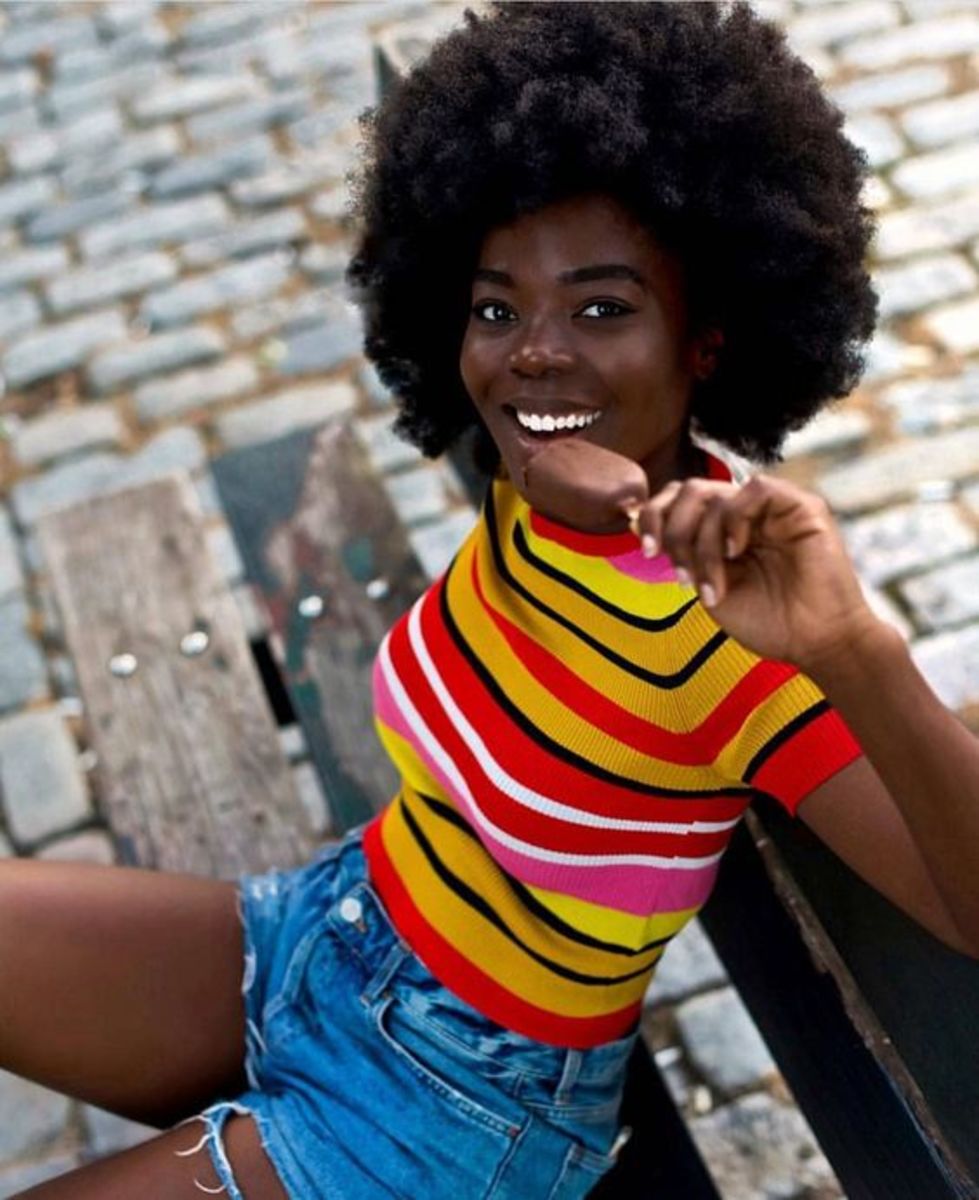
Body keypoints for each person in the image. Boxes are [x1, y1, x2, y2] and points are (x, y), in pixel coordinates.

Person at [2, 3, 978, 1197]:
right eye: (497, 307)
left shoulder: (736, 633)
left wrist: (852, 650)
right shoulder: (546, 480)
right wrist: (577, 488)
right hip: (327, 928)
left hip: (453, 1103)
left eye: (602, 308)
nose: (531, 353)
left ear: (709, 341)